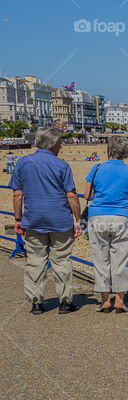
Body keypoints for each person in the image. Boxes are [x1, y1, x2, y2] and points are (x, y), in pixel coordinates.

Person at [10, 128, 83, 314]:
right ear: (52, 144)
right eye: (59, 143)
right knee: (62, 260)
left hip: (33, 219)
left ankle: (36, 302)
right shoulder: (61, 165)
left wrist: (18, 218)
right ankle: (65, 302)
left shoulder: (23, 162)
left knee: (35, 260)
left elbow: (18, 194)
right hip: (59, 219)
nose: (61, 146)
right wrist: (78, 219)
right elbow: (71, 195)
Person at [84, 136, 128, 314]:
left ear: (109, 151)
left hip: (98, 217)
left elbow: (87, 195)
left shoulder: (96, 168)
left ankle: (105, 301)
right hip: (122, 218)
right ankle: (119, 301)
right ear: (126, 153)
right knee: (121, 260)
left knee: (100, 259)